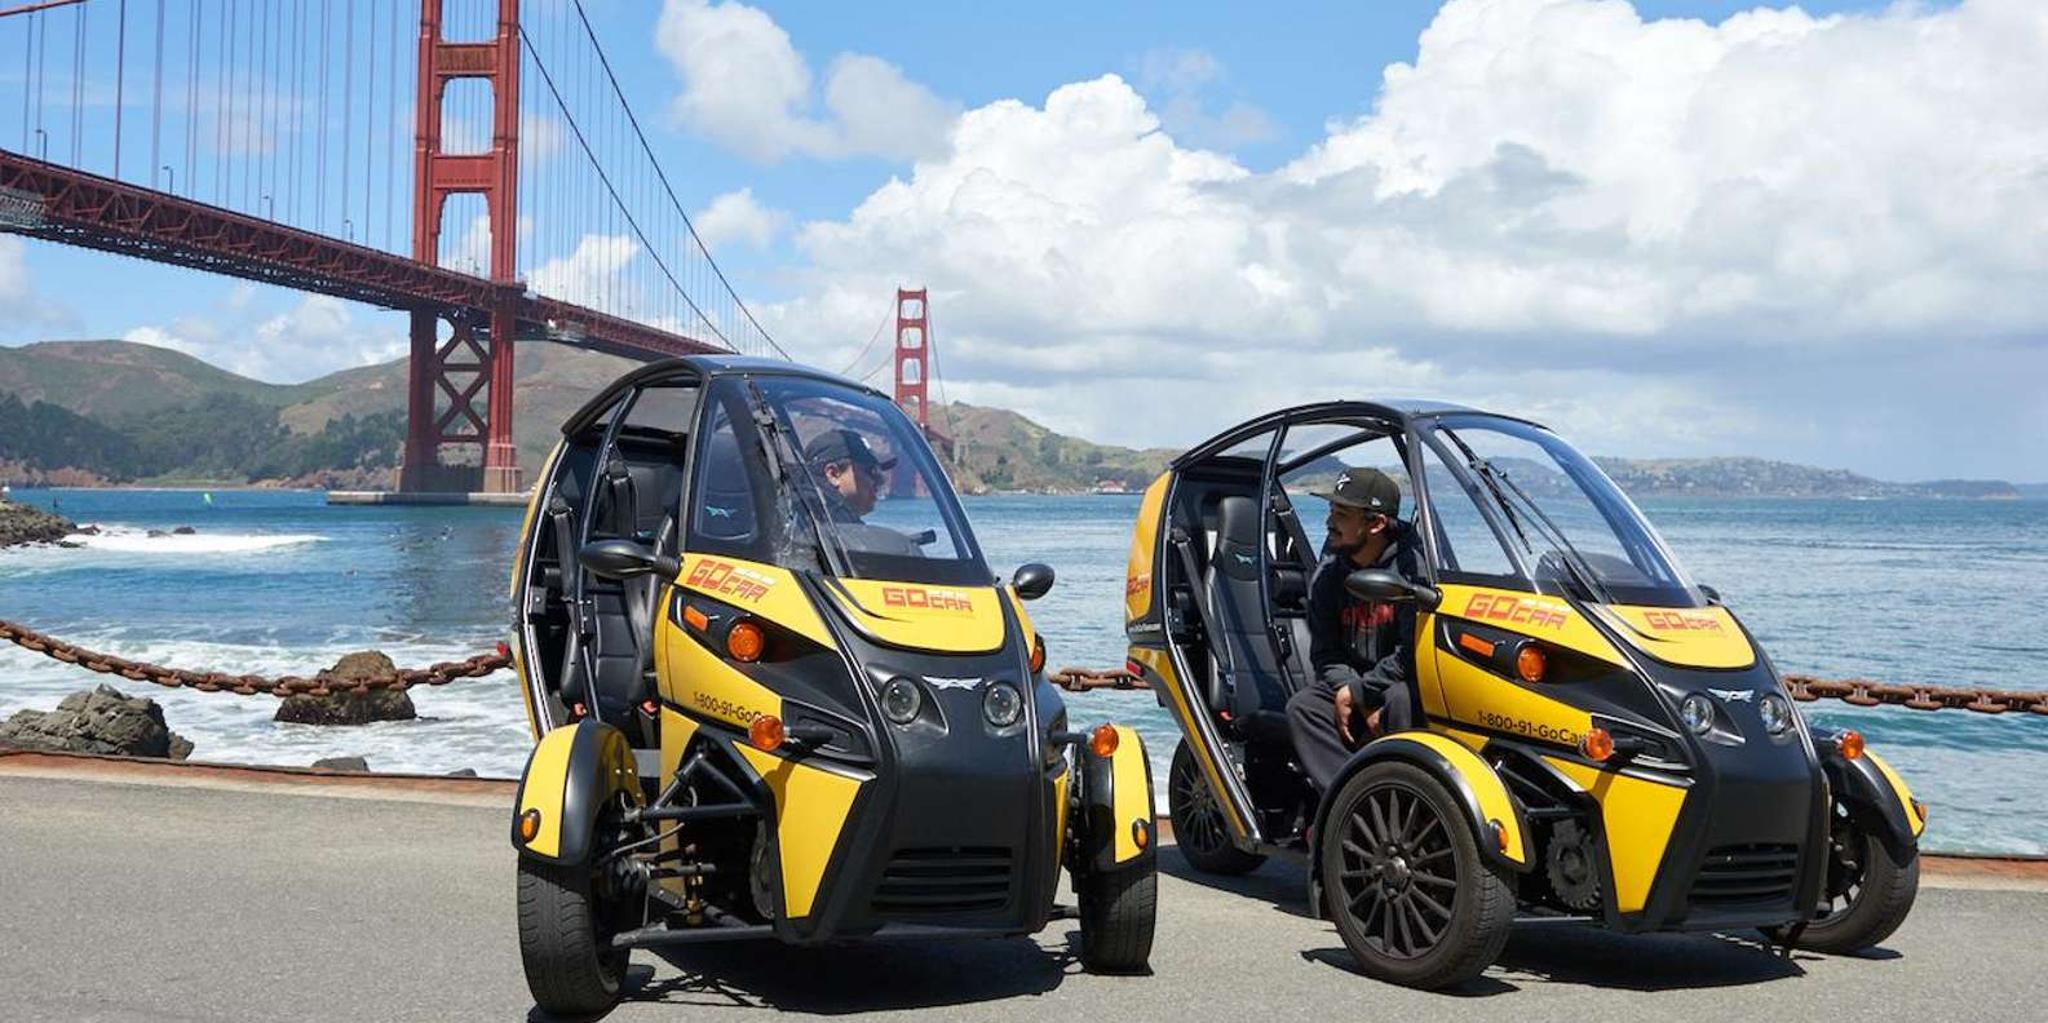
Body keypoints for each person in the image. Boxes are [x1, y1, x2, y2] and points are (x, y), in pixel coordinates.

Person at [1285, 467, 1421, 794]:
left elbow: (1413, 652)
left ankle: (1407, 799)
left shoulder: (1412, 568)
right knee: (1303, 707)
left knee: (1402, 699)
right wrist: (1353, 691)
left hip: (1400, 681)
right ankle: (1350, 804)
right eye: (1332, 511)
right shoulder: (1329, 574)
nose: (1329, 523)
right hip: (1350, 682)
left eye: (1342, 514)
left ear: (1375, 524)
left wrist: (1365, 691)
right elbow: (1325, 653)